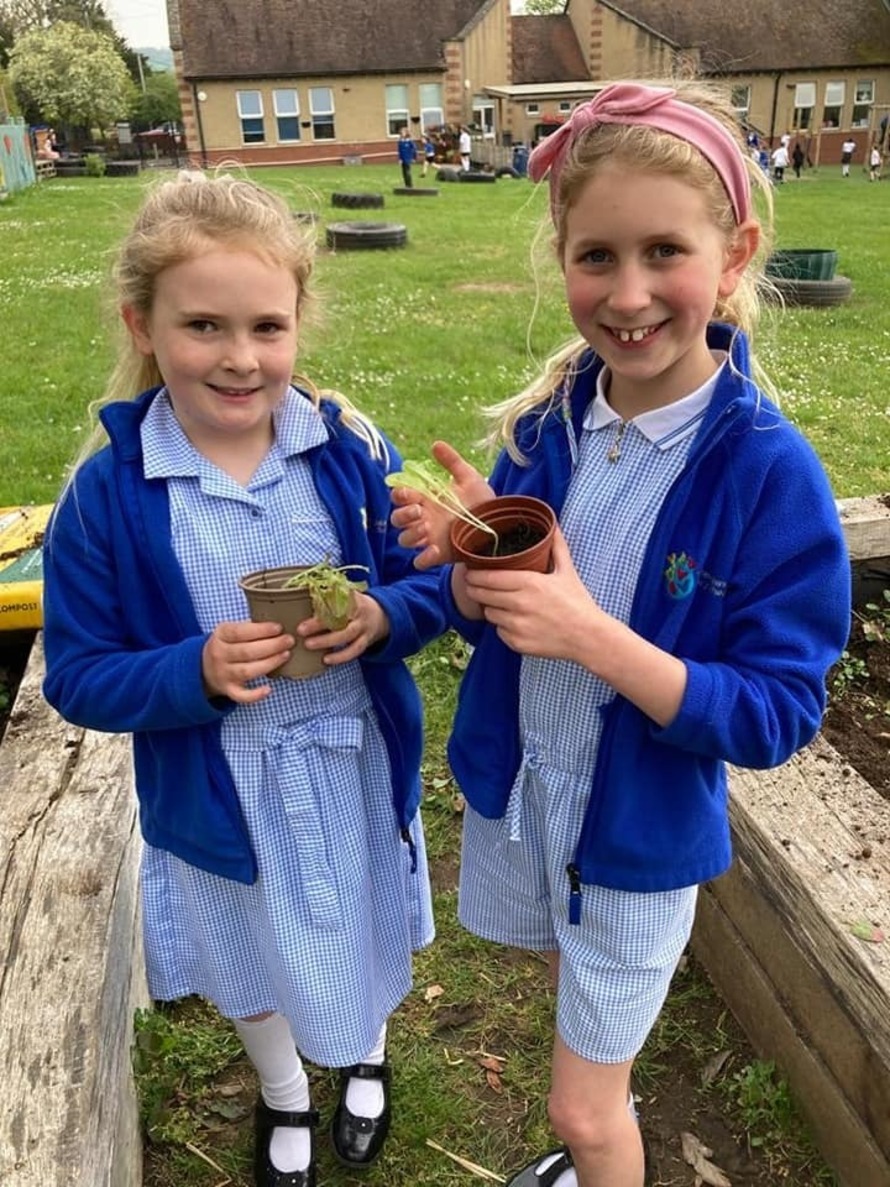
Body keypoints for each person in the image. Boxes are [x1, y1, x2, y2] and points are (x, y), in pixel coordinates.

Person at [390, 80, 850, 1187]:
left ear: (732, 253)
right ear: (561, 254)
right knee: (578, 1002)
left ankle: (597, 1141)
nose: (628, 292)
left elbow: (775, 712)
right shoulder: (551, 424)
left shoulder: (764, 473)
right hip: (539, 797)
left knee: (582, 1112)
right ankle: (605, 1090)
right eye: (596, 256)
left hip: (636, 839)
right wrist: (459, 566)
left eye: (663, 252)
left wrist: (593, 635)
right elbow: (490, 607)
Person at [41, 171, 446, 1187]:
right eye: (203, 325)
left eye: (266, 325)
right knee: (248, 953)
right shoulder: (110, 494)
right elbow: (81, 677)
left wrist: (384, 614)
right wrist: (194, 669)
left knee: (356, 922)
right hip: (218, 788)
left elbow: (430, 586)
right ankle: (282, 1094)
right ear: (143, 323)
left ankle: (364, 1056)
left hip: (347, 762)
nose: (238, 356)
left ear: (298, 321)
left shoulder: (346, 453)